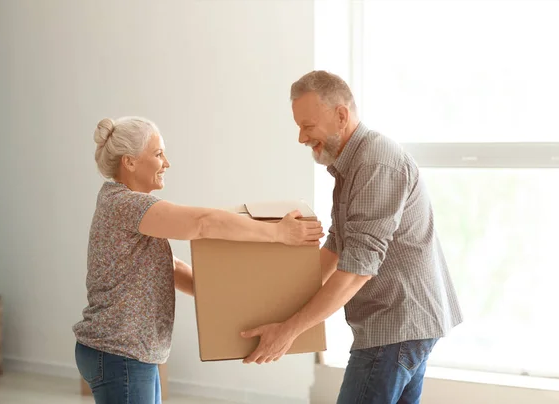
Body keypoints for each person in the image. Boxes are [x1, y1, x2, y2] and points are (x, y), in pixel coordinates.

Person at [241, 71, 463, 404]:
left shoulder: (376, 163)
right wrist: (279, 296)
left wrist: (288, 331)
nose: (301, 138)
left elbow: (358, 268)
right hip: (404, 322)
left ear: (341, 115)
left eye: (308, 126)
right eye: (298, 127)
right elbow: (338, 243)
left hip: (396, 323)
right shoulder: (351, 164)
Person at [73, 116, 324, 404]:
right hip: (120, 352)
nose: (166, 163)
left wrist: (227, 300)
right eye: (158, 154)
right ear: (129, 162)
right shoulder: (128, 204)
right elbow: (203, 223)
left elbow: (169, 267)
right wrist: (278, 233)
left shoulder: (123, 205)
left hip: (125, 352)